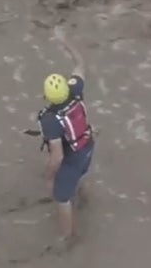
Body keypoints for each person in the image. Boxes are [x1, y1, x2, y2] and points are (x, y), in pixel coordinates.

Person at [38, 72, 95, 242]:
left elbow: (57, 157)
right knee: (82, 174)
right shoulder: (76, 89)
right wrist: (66, 44)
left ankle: (66, 236)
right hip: (88, 146)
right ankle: (86, 200)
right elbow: (80, 65)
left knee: (62, 198)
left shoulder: (50, 120)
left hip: (71, 158)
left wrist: (49, 177)